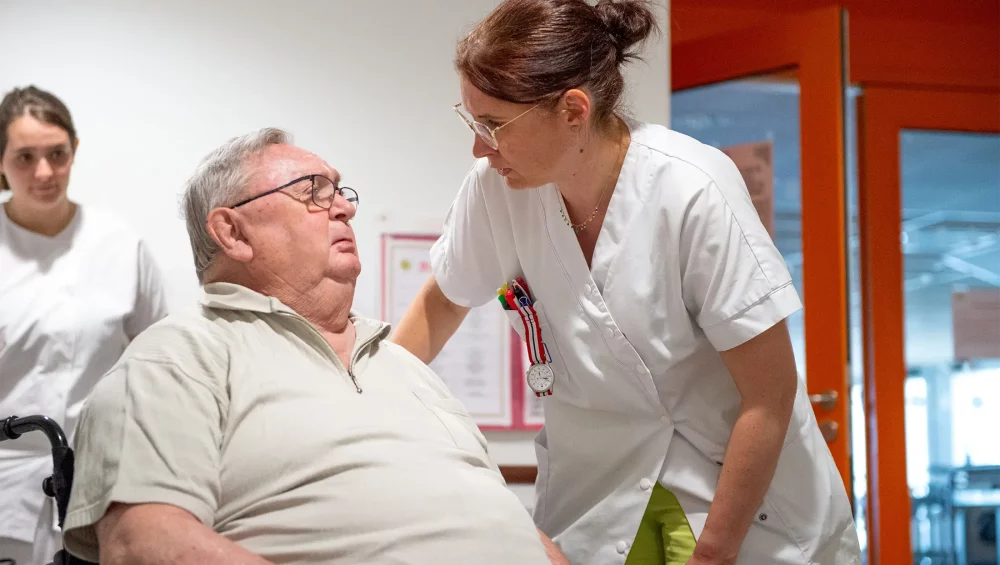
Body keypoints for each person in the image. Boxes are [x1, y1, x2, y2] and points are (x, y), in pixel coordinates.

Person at [391, 0, 863, 564]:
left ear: (573, 109)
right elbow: (444, 300)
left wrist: (714, 553)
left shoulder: (692, 188)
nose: (478, 147)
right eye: (472, 122)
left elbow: (770, 393)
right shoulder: (497, 188)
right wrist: (370, 402)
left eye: (494, 125)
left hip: (732, 499)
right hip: (599, 494)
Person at [60, 128, 552, 565]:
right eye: (312, 192)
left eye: (340, 190)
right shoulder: (177, 357)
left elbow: (507, 520)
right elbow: (145, 545)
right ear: (232, 232)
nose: (344, 207)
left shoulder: (405, 365)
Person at [0, 86, 169, 565]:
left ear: (75, 149)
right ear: (1, 161)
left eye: (57, 154)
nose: (45, 172)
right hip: (5, 475)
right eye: (25, 157)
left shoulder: (118, 244)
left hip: (102, 478)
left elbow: (161, 361)